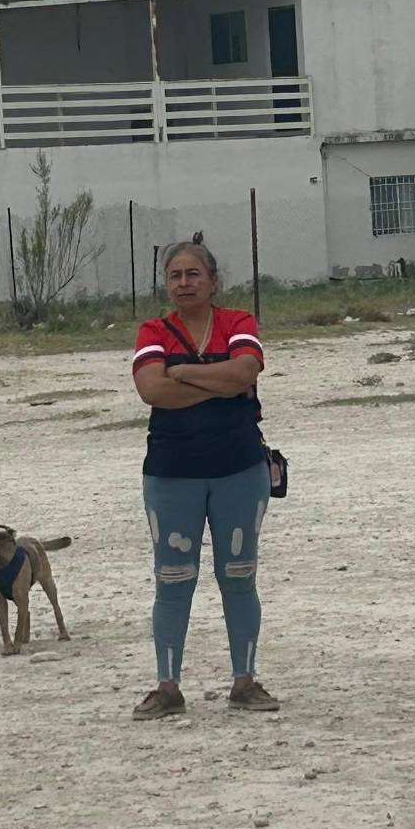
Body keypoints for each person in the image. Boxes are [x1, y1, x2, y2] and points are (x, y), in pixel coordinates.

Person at [129, 235, 278, 720]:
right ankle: (167, 686)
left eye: (194, 273)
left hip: (240, 469)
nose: (184, 283)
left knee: (239, 575)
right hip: (172, 473)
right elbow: (152, 391)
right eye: (175, 275)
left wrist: (182, 373)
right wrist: (221, 385)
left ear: (213, 281)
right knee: (173, 579)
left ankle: (245, 681)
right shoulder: (153, 330)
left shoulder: (238, 322)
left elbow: (245, 372)